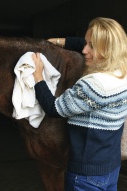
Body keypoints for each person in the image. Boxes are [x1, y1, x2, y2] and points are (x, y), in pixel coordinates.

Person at [32, 17, 127, 191]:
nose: (84, 50)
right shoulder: (122, 73)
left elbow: (54, 108)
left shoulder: (94, 85)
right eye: (86, 42)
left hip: (86, 177)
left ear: (107, 49)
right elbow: (87, 45)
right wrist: (59, 42)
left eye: (91, 45)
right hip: (111, 169)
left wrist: (38, 77)